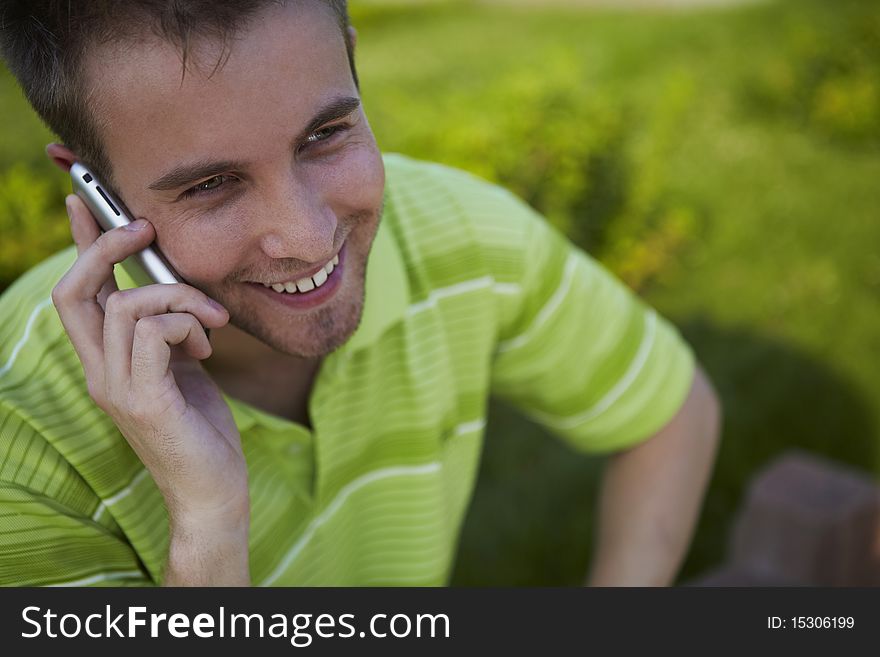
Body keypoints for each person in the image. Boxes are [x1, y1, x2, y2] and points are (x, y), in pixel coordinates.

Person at [0, 0, 721, 586]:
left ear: (350, 60)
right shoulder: (19, 444)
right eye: (210, 185)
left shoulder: (462, 234)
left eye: (324, 134)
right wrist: (208, 527)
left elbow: (671, 413)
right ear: (93, 189)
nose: (310, 238)